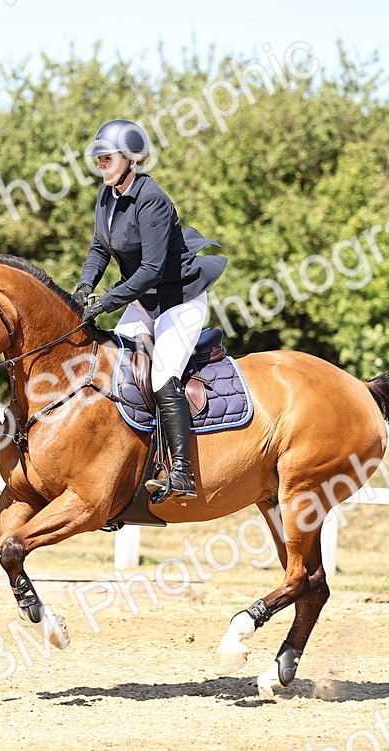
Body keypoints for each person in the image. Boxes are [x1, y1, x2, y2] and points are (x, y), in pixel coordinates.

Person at [74, 119, 228, 501]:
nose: (101, 165)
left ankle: (181, 472)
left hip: (180, 300)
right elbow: (99, 249)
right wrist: (83, 289)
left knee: (161, 375)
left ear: (131, 158)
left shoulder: (152, 198)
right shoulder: (107, 195)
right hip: (145, 301)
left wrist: (107, 302)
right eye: (98, 159)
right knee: (113, 364)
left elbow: (152, 270)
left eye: (107, 158)